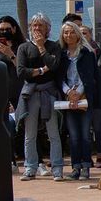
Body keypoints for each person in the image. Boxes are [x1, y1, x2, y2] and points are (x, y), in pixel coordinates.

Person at [16, 14, 64, 182]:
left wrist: (42, 48)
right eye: (34, 26)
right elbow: (21, 72)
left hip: (49, 93)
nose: (36, 29)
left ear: (47, 29)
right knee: (30, 134)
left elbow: (55, 66)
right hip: (30, 94)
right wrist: (41, 70)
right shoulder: (23, 48)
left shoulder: (54, 46)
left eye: (40, 26)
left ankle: (57, 168)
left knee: (53, 133)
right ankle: (30, 167)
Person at [56, 22, 101, 180]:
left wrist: (78, 92)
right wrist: (68, 92)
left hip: (84, 98)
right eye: (65, 33)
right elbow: (58, 77)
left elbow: (90, 77)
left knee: (85, 134)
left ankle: (86, 167)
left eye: (71, 32)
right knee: (74, 135)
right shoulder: (61, 54)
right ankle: (75, 167)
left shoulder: (86, 53)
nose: (68, 35)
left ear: (77, 34)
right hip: (68, 99)